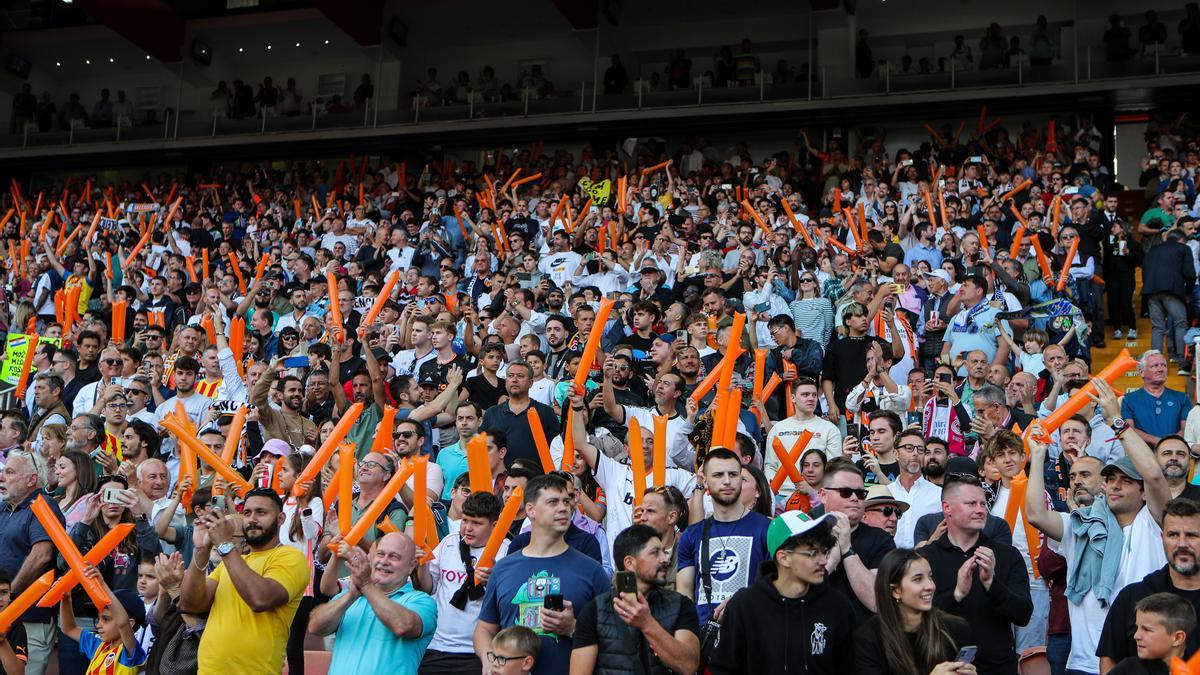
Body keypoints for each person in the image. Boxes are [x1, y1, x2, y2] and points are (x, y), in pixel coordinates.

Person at [1024, 380, 1170, 675]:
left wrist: (1117, 422)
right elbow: (1037, 514)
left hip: (1137, 660)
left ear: (1143, 493)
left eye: (1126, 481)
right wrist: (1038, 458)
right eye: (1111, 480)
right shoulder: (1080, 525)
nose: (1115, 486)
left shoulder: (1152, 524)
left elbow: (1154, 475)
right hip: (1083, 661)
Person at [473, 474, 609, 675]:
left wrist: (574, 628)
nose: (563, 507)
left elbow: (613, 636)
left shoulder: (592, 570)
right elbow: (484, 628)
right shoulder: (503, 569)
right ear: (530, 510)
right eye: (553, 502)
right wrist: (488, 660)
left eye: (566, 501)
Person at [180, 488, 310, 675]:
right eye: (247, 513)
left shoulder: (290, 557)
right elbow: (190, 604)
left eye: (261, 512)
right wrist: (201, 551)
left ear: (281, 518)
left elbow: (260, 599)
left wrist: (225, 545)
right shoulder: (232, 562)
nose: (252, 519)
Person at [708, 510, 856, 674]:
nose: (823, 561)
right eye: (813, 553)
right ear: (783, 557)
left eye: (824, 551)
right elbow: (724, 668)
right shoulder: (745, 605)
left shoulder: (837, 606)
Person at [918, 472, 1033, 675]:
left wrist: (991, 584)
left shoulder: (1007, 555)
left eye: (983, 503)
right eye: (971, 504)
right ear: (947, 508)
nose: (981, 510)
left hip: (997, 669)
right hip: (941, 669)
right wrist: (956, 594)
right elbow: (913, 617)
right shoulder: (925, 558)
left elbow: (1023, 614)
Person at [570, 524, 701, 675]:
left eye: (664, 552)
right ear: (630, 563)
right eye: (655, 553)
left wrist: (647, 623)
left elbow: (689, 666)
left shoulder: (681, 605)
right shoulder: (595, 610)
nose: (665, 559)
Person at [310, 532, 437, 675]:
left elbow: (403, 626)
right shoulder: (352, 595)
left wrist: (366, 586)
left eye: (394, 556)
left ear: (411, 565)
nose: (384, 561)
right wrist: (349, 597)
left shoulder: (421, 601)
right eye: (380, 554)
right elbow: (315, 626)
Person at [1097, 498, 1200, 669]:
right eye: (1173, 535)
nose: (1182, 544)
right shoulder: (1132, 596)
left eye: (1191, 535)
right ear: (1162, 538)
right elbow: (1109, 658)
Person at [675, 449, 770, 626]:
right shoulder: (692, 534)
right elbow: (684, 592)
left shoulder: (766, 528)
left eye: (734, 475)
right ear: (705, 481)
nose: (727, 481)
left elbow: (777, 587)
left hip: (751, 633)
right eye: (718, 475)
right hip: (705, 636)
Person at [418, 491, 508, 674]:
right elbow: (428, 588)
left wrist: (493, 583)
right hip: (436, 647)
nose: (467, 528)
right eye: (465, 520)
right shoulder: (449, 542)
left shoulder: (505, 551)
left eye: (476, 523)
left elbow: (509, 605)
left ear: (494, 525)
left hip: (476, 652)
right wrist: (421, 566)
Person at [854, 549, 976, 675]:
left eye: (930, 577)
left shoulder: (955, 628)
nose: (930, 586)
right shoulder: (868, 639)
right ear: (895, 591)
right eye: (918, 579)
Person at [0, 451, 61, 675]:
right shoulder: (4, 509)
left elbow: (42, 555)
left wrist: (11, 597)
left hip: (29, 618)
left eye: (10, 472)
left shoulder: (43, 505)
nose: (2, 476)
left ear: (31, 479)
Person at [58, 565, 147, 675]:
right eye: (98, 619)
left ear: (131, 623)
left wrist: (102, 584)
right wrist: (66, 599)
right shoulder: (97, 645)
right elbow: (69, 628)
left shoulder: (129, 652)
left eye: (106, 619)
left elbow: (123, 623)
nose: (99, 625)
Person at [1107, 593, 1195, 675]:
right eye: (1137, 628)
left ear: (1177, 638)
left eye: (1147, 629)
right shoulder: (1128, 669)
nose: (1136, 636)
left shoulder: (1194, 670)